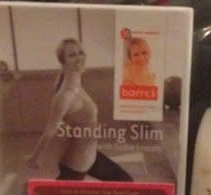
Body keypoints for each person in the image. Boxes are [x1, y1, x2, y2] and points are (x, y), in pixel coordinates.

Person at [27, 38, 132, 181]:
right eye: (72, 55)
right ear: (63, 62)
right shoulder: (65, 96)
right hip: (76, 166)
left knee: (125, 181)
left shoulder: (77, 86)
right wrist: (35, 158)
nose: (79, 58)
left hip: (91, 158)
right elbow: (50, 131)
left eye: (80, 53)